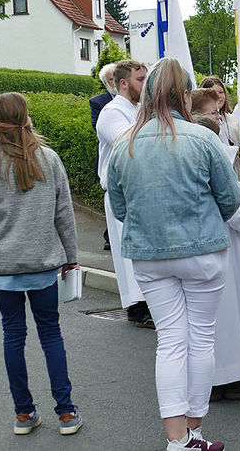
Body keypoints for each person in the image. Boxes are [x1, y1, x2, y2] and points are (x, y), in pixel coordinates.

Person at [107, 58, 240, 451]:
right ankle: (194, 430)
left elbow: (118, 209)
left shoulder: (124, 142)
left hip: (148, 255)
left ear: (146, 93)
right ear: (184, 95)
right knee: (200, 339)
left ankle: (177, 438)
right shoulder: (202, 139)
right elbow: (231, 202)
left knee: (169, 341)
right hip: (202, 251)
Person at [0, 92, 83, 436]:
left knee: (12, 336)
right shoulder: (49, 159)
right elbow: (64, 214)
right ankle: (66, 413)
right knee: (51, 335)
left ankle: (23, 414)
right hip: (44, 264)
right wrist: (71, 257)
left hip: (4, 267)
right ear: (26, 117)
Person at [190, 106, 240, 403]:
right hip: (225, 242)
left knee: (206, 319)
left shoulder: (186, 157)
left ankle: (212, 381)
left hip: (198, 242)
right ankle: (235, 377)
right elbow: (234, 206)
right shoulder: (221, 159)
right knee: (234, 311)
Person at [96, 59, 153, 328]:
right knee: (128, 251)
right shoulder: (112, 112)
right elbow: (128, 144)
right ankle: (136, 306)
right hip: (122, 192)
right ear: (123, 83)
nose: (145, 84)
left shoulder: (141, 109)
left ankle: (149, 301)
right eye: (140, 79)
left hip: (145, 189)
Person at [90, 63, 118, 250]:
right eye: (111, 79)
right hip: (110, 162)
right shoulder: (99, 103)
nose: (115, 82)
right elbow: (99, 127)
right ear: (106, 83)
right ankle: (110, 235)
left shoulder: (139, 101)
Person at [199, 76, 239, 147]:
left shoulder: (231, 119)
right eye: (213, 93)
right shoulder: (202, 122)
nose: (218, 96)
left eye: (221, 92)